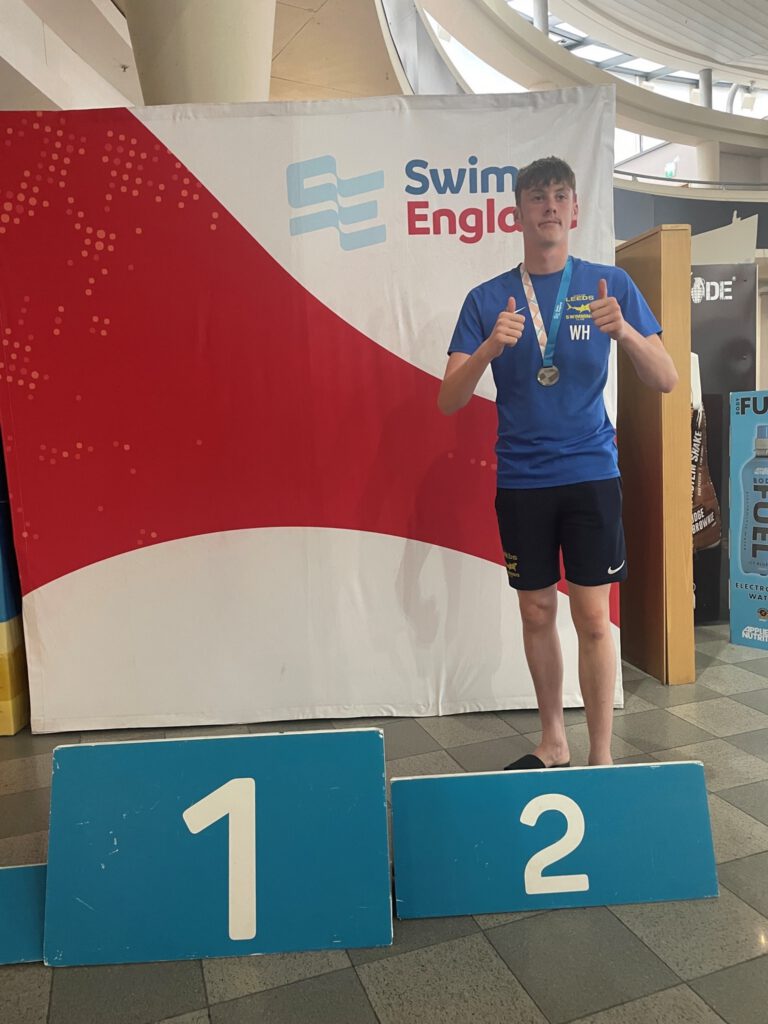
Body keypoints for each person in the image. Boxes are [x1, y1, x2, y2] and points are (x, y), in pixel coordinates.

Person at [438, 156, 678, 768]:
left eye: (560, 196)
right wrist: (489, 347)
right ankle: (553, 741)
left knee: (594, 618)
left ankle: (600, 756)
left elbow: (667, 378)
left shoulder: (609, 286)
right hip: (523, 480)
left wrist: (625, 333)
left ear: (575, 210)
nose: (549, 206)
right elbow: (448, 398)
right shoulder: (487, 299)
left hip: (591, 474)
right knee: (536, 609)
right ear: (516, 213)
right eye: (537, 196)